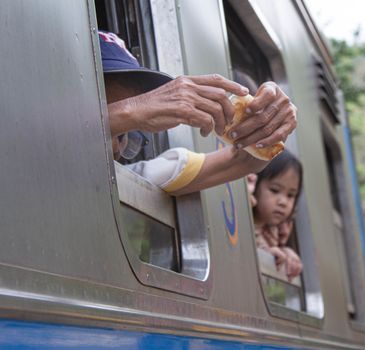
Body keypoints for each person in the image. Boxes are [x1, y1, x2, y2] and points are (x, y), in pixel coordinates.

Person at [99, 31, 297, 195]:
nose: (117, 146)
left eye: (126, 134)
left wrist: (267, 124)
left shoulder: (135, 178)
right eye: (109, 110)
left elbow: (244, 161)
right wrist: (127, 114)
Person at [248, 150, 304, 281]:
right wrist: (266, 254)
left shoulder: (275, 232)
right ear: (254, 184)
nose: (283, 202)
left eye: (291, 195)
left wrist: (286, 253)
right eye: (275, 190)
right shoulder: (243, 224)